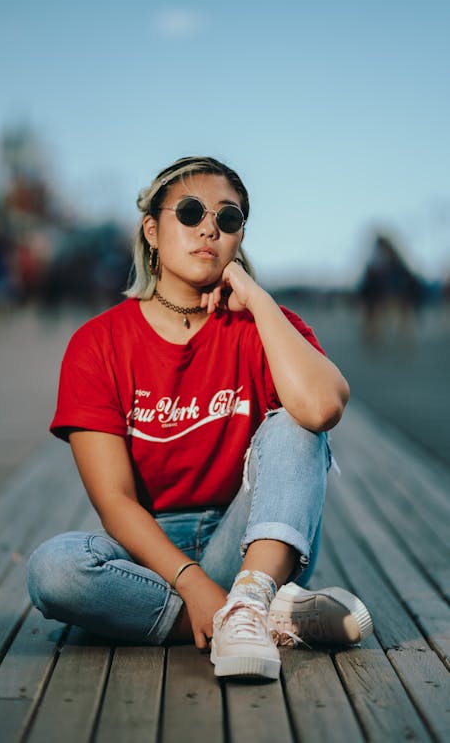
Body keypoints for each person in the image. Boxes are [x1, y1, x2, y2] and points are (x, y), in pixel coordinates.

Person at [27, 156, 373, 680]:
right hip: (147, 551)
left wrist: (256, 299)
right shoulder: (97, 344)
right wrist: (191, 583)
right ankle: (262, 619)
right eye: (189, 212)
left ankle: (250, 599)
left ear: (238, 240)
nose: (208, 226)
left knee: (296, 424)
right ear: (152, 230)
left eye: (227, 218)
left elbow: (323, 408)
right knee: (54, 570)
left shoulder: (264, 328)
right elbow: (115, 501)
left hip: (253, 543)